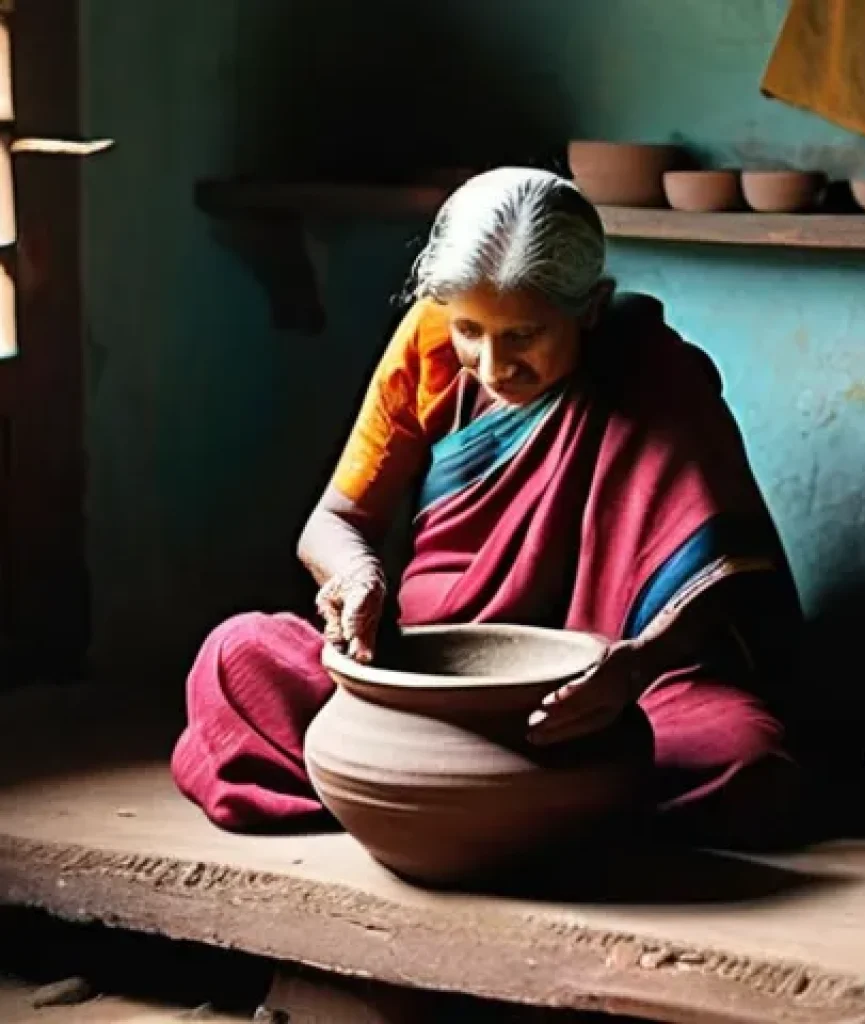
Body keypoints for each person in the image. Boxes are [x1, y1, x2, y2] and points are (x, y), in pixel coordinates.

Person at [171, 167, 805, 847]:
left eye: (524, 336)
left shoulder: (653, 374)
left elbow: (716, 581)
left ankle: (420, 803)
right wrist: (358, 578)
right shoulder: (430, 341)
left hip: (592, 700)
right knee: (235, 657)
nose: (494, 365)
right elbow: (335, 521)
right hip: (423, 678)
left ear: (592, 306)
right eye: (471, 330)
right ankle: (525, 810)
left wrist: (635, 666)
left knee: (744, 754)